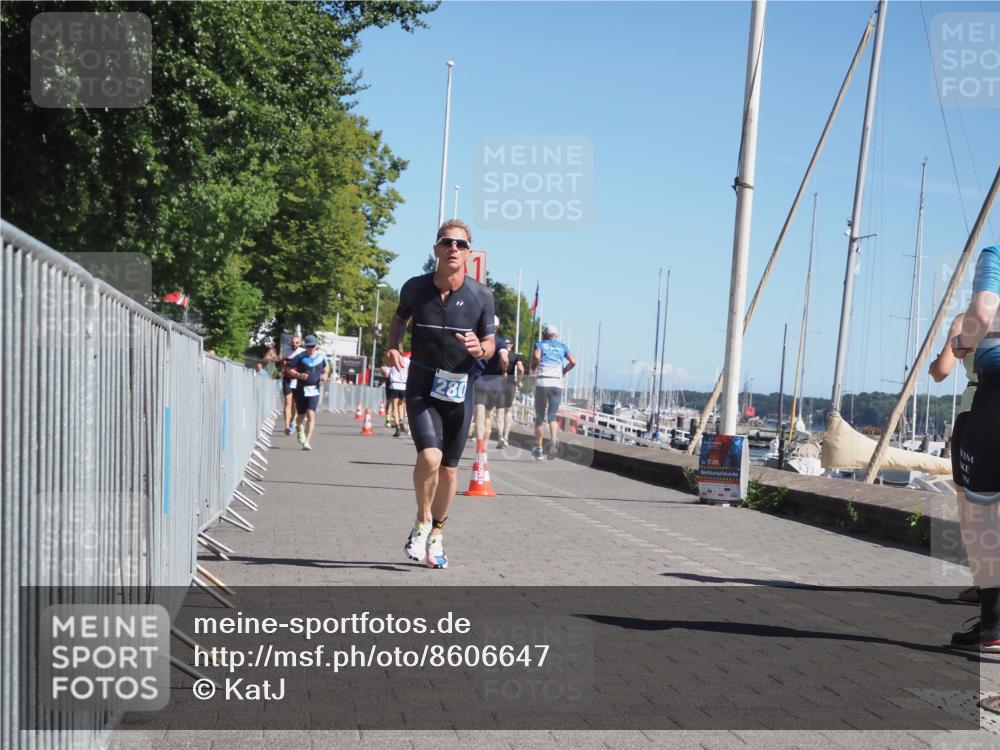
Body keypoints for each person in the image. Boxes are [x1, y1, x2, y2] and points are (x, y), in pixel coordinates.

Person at [385, 219, 496, 569]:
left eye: (460, 244)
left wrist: (482, 349)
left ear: (468, 253)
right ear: (436, 249)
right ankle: (421, 522)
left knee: (449, 470)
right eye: (447, 242)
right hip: (421, 388)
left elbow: (491, 343)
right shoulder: (415, 289)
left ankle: (437, 531)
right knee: (429, 458)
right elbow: (400, 319)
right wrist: (393, 346)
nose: (453, 249)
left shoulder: (482, 295)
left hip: (460, 392)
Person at [945, 245, 1000, 658]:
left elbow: (981, 314)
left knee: (983, 513)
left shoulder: (996, 255)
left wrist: (962, 346)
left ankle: (994, 628)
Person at [929, 313, 979, 604]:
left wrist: (936, 361)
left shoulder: (966, 320)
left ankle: (982, 583)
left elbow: (941, 371)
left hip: (976, 411)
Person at [530, 324, 575, 460]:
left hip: (543, 382)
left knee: (539, 417)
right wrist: (563, 371)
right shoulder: (562, 346)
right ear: (555, 335)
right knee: (552, 416)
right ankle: (554, 438)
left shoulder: (540, 344)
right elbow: (573, 361)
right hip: (557, 383)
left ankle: (538, 449)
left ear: (544, 334)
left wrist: (533, 366)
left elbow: (537, 357)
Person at [284, 335, 330, 451]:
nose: (311, 349)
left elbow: (326, 368)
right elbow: (288, 369)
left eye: (313, 347)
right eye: (308, 347)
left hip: (314, 390)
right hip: (301, 389)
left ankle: (307, 441)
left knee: (311, 414)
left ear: (316, 346)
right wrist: (299, 375)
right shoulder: (300, 356)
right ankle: (299, 427)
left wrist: (325, 375)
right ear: (305, 346)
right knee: (300, 416)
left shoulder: (321, 356)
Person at [473, 316, 509, 448]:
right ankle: (485, 448)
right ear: (497, 327)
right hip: (495, 382)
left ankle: (479, 448)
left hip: (479, 380)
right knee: (488, 417)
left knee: (479, 416)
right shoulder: (500, 342)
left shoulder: (477, 340)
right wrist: (504, 370)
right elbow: (504, 359)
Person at [496, 340, 525, 449]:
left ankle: (500, 436)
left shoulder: (498, 354)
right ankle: (506, 437)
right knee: (508, 411)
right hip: (511, 385)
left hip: (498, 383)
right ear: (512, 345)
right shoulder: (516, 356)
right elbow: (521, 369)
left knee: (500, 410)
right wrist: (520, 381)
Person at [281, 335, 304, 436]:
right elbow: (282, 363)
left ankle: (292, 422)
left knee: (294, 404)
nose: (294, 344)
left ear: (300, 343)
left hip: (297, 380)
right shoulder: (285, 350)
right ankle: (286, 426)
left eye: (297, 342)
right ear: (290, 342)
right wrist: (285, 362)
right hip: (287, 378)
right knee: (287, 402)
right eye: (293, 342)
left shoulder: (302, 352)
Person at [387, 352, 410, 437]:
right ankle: (401, 420)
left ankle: (397, 427)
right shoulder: (408, 361)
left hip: (395, 385)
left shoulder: (393, 361)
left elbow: (386, 373)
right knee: (401, 405)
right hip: (404, 386)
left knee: (394, 407)